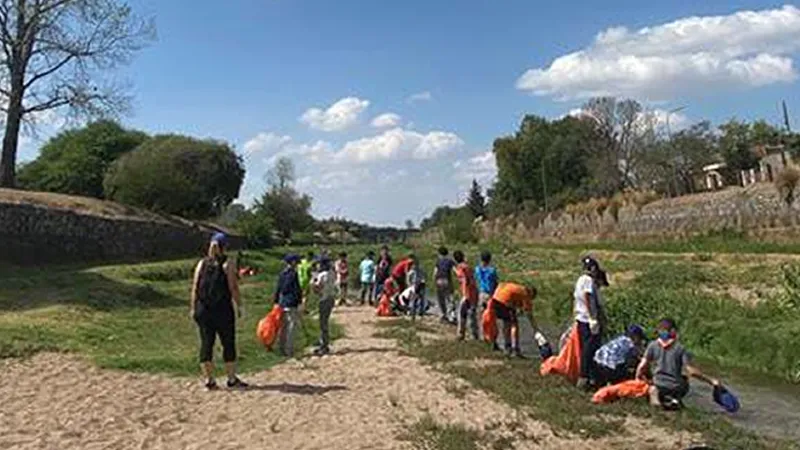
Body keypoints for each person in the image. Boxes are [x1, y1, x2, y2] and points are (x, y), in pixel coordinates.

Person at [190, 232, 248, 390]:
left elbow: (195, 287)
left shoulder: (201, 263)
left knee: (206, 344)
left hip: (203, 309)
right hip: (222, 309)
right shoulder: (227, 263)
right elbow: (233, 287)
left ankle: (209, 380)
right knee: (228, 343)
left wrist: (193, 308)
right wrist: (240, 306)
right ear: (225, 247)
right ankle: (231, 378)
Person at [636, 318, 722, 410]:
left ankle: (658, 400)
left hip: (658, 384)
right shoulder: (680, 348)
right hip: (675, 386)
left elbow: (642, 366)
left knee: (653, 388)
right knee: (684, 379)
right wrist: (711, 381)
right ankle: (675, 399)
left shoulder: (652, 345)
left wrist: (637, 379)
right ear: (673, 331)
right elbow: (692, 372)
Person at [574, 256, 609, 390]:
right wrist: (592, 318)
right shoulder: (588, 281)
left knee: (587, 349)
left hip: (581, 319)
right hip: (588, 320)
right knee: (589, 350)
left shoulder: (580, 280)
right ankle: (584, 377)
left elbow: (576, 300)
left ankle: (592, 376)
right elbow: (588, 298)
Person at [490, 281, 544, 357]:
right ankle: (515, 348)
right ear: (531, 293)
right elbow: (529, 313)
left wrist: (518, 310)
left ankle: (507, 346)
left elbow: (517, 304)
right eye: (532, 298)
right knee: (514, 325)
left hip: (496, 299)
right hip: (505, 301)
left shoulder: (518, 289)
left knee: (506, 323)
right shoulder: (525, 293)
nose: (531, 300)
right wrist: (535, 329)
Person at [275, 254, 303, 358]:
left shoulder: (282, 273)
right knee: (291, 326)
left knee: (283, 326)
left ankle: (281, 348)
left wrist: (276, 301)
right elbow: (296, 289)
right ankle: (289, 349)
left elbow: (278, 288)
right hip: (291, 302)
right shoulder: (293, 274)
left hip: (282, 302)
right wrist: (299, 301)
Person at [311, 257, 337, 355]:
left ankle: (324, 345)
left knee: (323, 323)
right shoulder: (332, 273)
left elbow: (317, 289)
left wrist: (313, 281)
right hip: (331, 298)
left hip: (324, 299)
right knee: (325, 321)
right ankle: (323, 342)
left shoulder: (322, 275)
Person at [454, 250, 480, 340]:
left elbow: (465, 280)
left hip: (468, 293)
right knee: (472, 314)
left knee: (462, 313)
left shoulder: (461, 268)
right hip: (474, 292)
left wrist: (465, 294)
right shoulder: (467, 266)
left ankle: (461, 334)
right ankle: (474, 335)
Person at [432, 246, 457, 324]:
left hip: (439, 280)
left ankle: (443, 315)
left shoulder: (438, 261)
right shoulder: (450, 261)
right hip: (447, 280)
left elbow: (435, 273)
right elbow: (455, 270)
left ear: (439, 254)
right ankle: (452, 316)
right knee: (450, 298)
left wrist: (434, 281)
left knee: (441, 299)